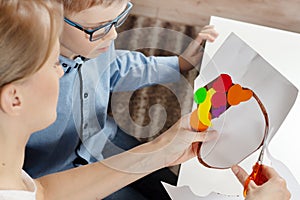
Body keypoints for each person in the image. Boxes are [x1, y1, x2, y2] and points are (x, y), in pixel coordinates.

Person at [0, 1, 217, 199]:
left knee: (168, 184)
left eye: (118, 19)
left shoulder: (95, 40)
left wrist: (160, 149)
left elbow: (114, 67)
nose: (113, 35)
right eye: (54, 64)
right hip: (63, 174)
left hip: (103, 139)